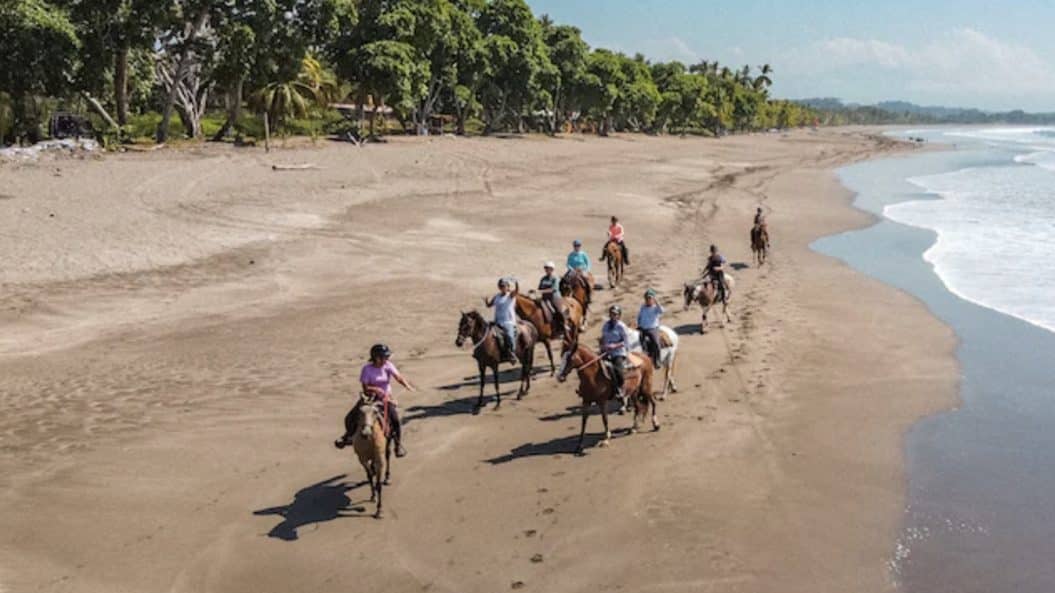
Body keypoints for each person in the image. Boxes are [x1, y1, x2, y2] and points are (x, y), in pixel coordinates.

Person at [335, 343, 415, 457]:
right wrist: (376, 389)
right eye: (383, 357)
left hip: (386, 398)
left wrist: (406, 385)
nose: (386, 359)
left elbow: (398, 377)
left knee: (395, 420)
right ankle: (348, 437)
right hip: (370, 397)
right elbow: (365, 388)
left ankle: (397, 446)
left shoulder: (388, 365)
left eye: (386, 357)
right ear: (376, 358)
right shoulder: (367, 369)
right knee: (350, 417)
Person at [599, 304, 631, 401]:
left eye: (615, 314)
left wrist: (615, 346)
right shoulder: (606, 325)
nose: (613, 316)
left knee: (617, 370)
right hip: (607, 352)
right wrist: (603, 346)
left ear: (619, 315)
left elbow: (625, 341)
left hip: (618, 352)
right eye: (612, 314)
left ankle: (619, 389)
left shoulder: (621, 326)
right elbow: (603, 338)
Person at [484, 277, 519, 364]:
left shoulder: (510, 295)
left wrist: (516, 283)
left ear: (507, 287)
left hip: (508, 322)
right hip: (497, 321)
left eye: (504, 286)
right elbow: (489, 305)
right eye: (501, 286)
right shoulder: (497, 296)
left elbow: (517, 291)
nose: (502, 288)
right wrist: (486, 301)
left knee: (510, 336)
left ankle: (512, 353)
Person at [537, 261, 566, 336]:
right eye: (545, 268)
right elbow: (539, 288)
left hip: (554, 298)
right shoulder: (543, 278)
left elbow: (554, 289)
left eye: (548, 268)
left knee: (559, 311)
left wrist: (541, 291)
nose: (546, 270)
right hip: (545, 298)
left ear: (552, 269)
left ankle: (563, 327)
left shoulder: (555, 278)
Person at [637, 288, 664, 366]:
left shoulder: (655, 308)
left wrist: (657, 302)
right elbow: (640, 316)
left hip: (653, 328)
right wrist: (638, 324)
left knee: (656, 343)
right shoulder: (643, 307)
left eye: (650, 298)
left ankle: (658, 359)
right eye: (647, 298)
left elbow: (661, 311)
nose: (648, 300)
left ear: (653, 299)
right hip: (642, 328)